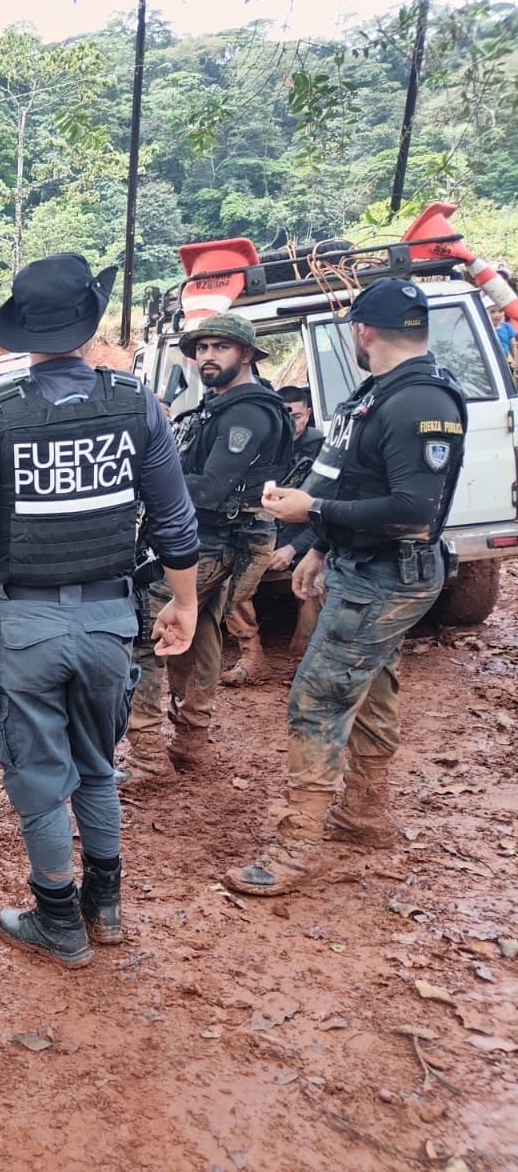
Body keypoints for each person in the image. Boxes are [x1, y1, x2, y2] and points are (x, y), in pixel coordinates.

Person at [0, 253, 200, 969]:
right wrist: (186, 604)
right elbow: (174, 522)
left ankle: (57, 921)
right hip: (111, 621)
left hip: (28, 629)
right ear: (87, 327)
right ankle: (104, 910)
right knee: (98, 766)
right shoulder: (137, 403)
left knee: (41, 777)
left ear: (25, 332)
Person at [227, 278, 466, 896]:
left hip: (391, 573)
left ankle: (294, 847)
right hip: (361, 566)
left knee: (319, 698)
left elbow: (414, 508)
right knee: (374, 682)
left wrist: (314, 515)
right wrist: (322, 549)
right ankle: (363, 813)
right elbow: (357, 482)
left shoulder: (418, 401)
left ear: (362, 330)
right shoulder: (380, 392)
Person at [124, 312, 293, 782]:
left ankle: (146, 758)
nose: (208, 356)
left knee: (146, 635)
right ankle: (192, 742)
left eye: (221, 347)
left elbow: (210, 489)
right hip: (218, 540)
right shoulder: (218, 406)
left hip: (215, 542)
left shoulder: (246, 410)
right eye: (202, 348)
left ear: (246, 354)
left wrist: (146, 476)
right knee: (198, 633)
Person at [221, 384, 324, 685]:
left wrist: (292, 548)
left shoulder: (321, 451)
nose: (292, 423)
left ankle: (306, 663)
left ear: (308, 414)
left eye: (298, 416)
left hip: (307, 542)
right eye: (285, 416)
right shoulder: (258, 448)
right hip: (261, 537)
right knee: (229, 583)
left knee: (316, 582)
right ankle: (252, 657)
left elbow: (328, 511)